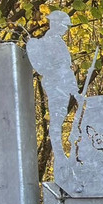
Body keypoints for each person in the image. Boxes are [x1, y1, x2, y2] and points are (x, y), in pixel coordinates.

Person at [26, 11, 80, 177]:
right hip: (57, 85)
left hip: (63, 84)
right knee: (57, 119)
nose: (65, 29)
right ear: (56, 24)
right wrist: (72, 88)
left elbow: (66, 69)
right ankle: (60, 155)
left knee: (60, 117)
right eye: (64, 25)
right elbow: (59, 69)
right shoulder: (50, 43)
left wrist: (75, 90)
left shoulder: (57, 42)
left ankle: (62, 153)